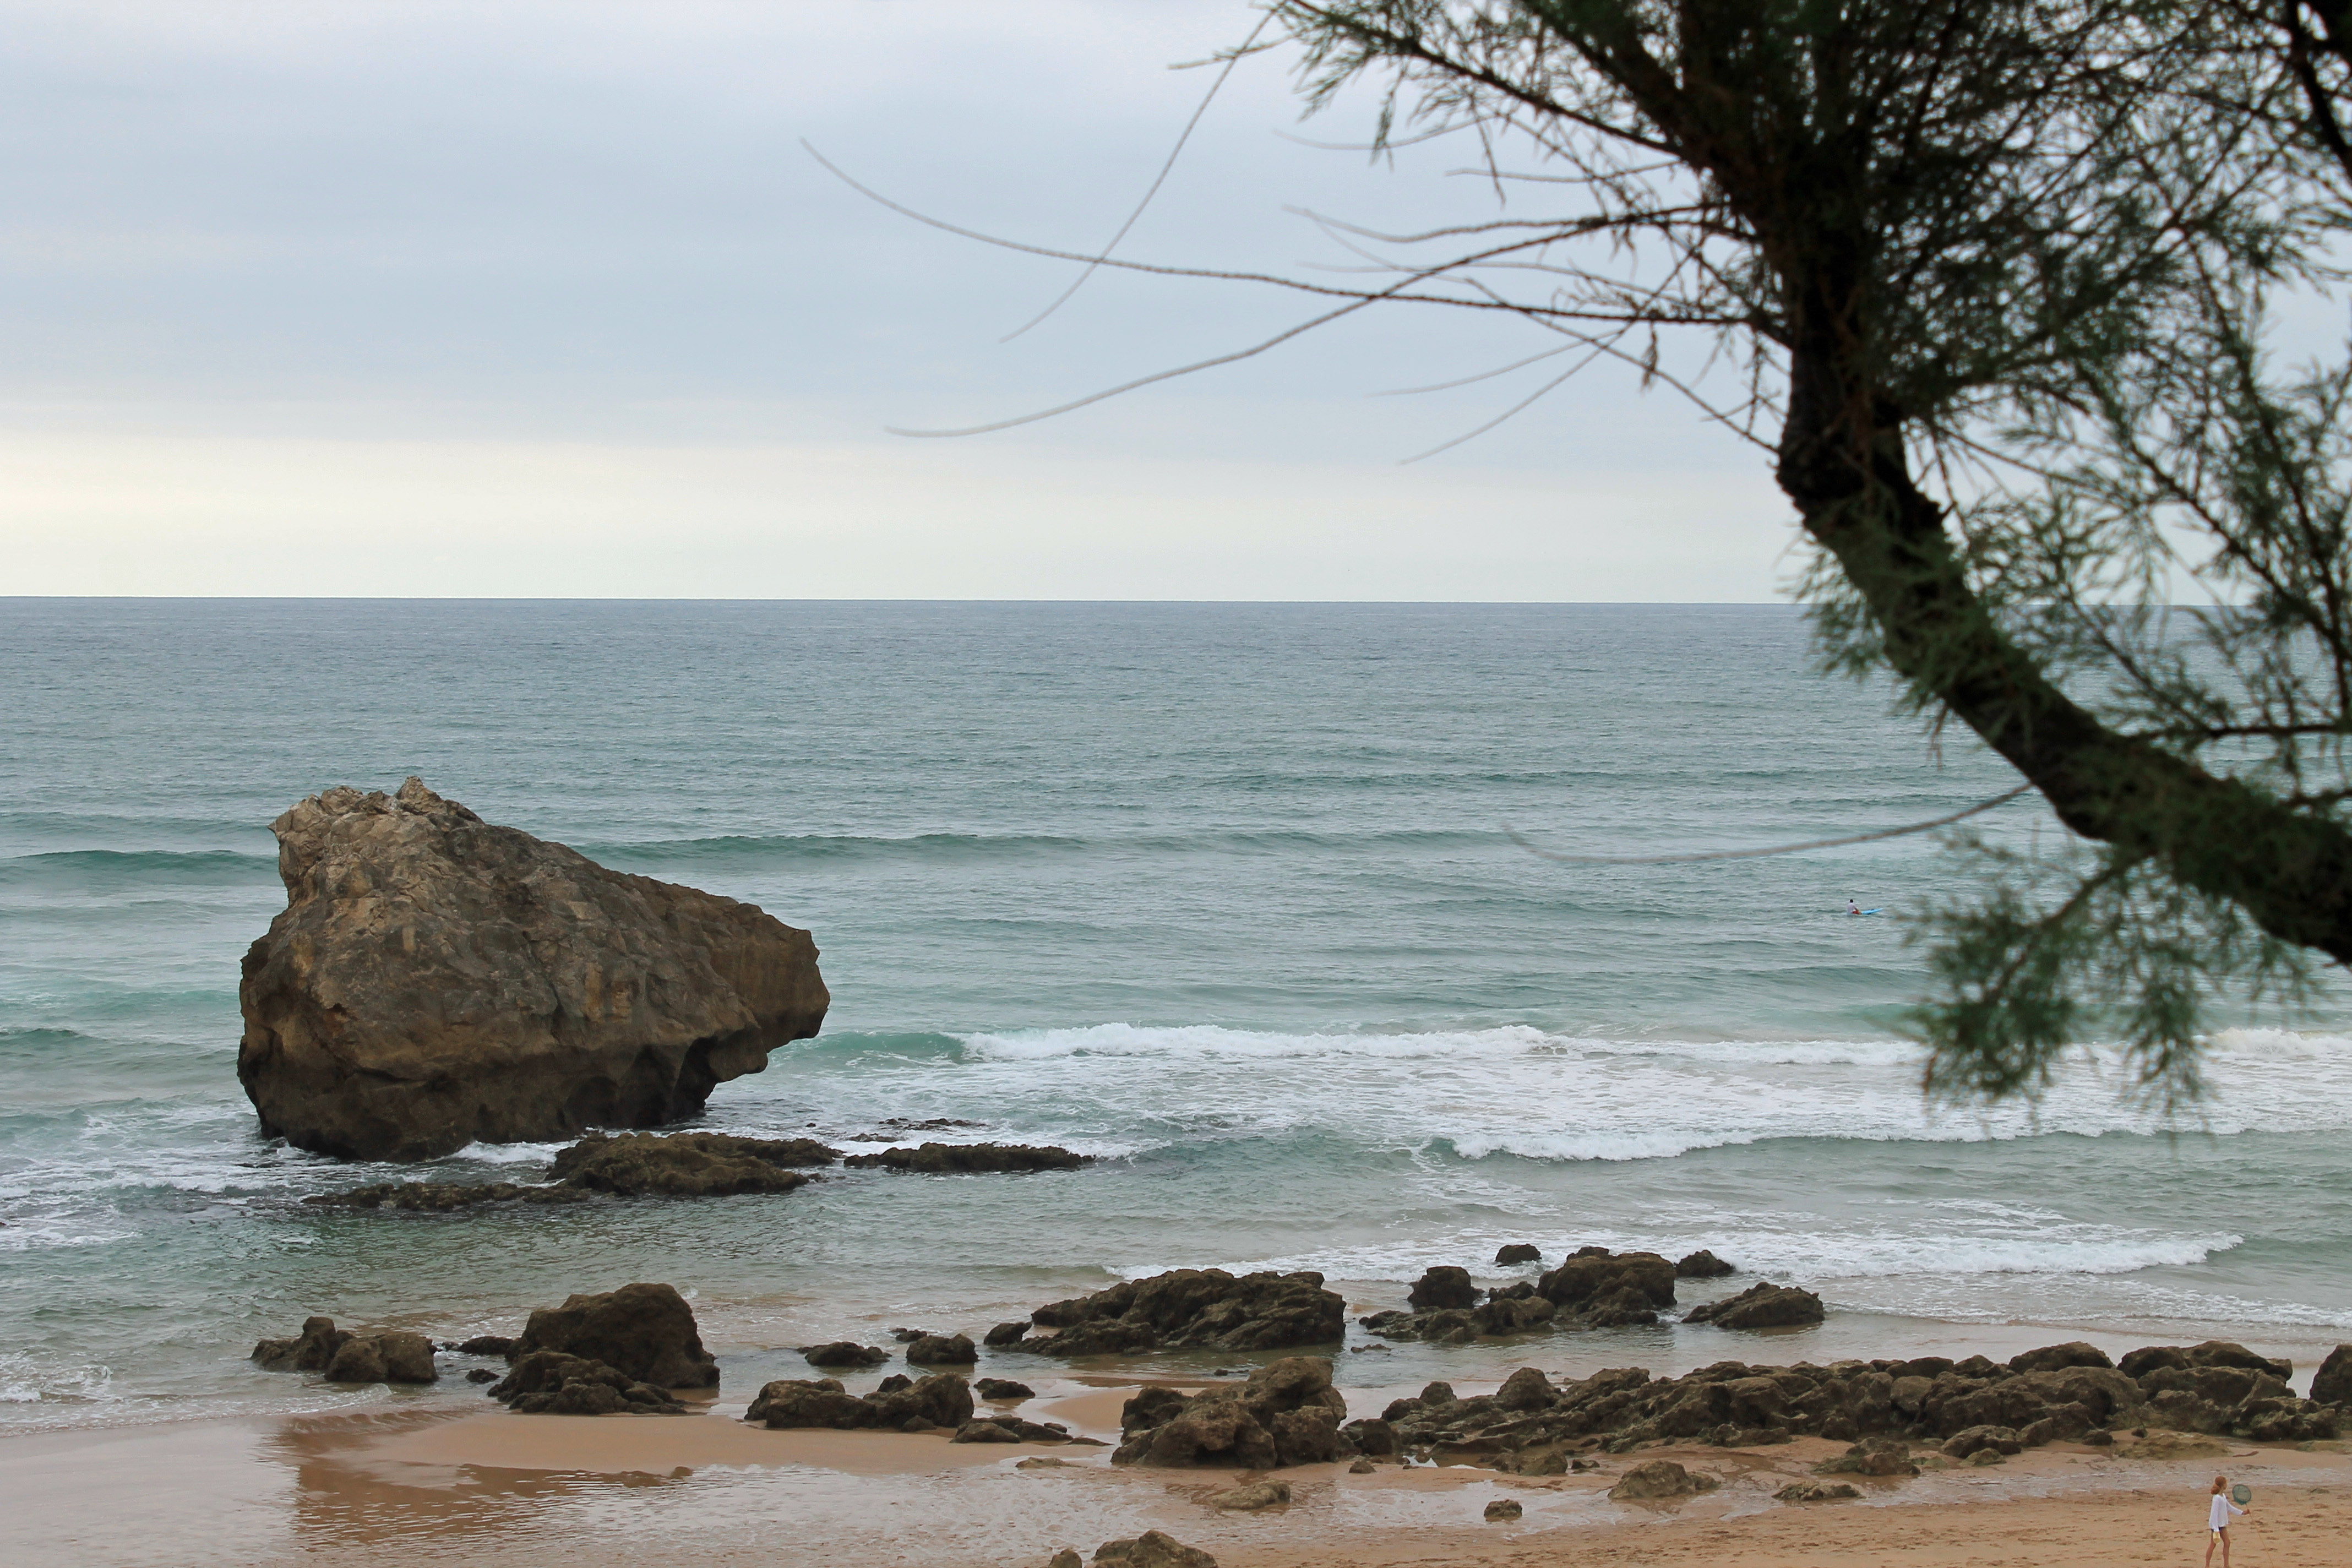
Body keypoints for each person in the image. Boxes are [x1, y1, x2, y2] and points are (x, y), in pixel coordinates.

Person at [2206, 1473, 2248, 1567]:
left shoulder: (2223, 1497)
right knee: (2213, 1545)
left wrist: (2242, 1513)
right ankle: (2207, 1566)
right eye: (2225, 1484)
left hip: (2222, 1525)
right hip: (2216, 1526)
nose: (2227, 1485)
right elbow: (2214, 1514)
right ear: (2222, 1485)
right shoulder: (2216, 1499)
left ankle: (2226, 1565)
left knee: (2227, 1543)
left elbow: (2230, 1507)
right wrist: (2215, 1529)